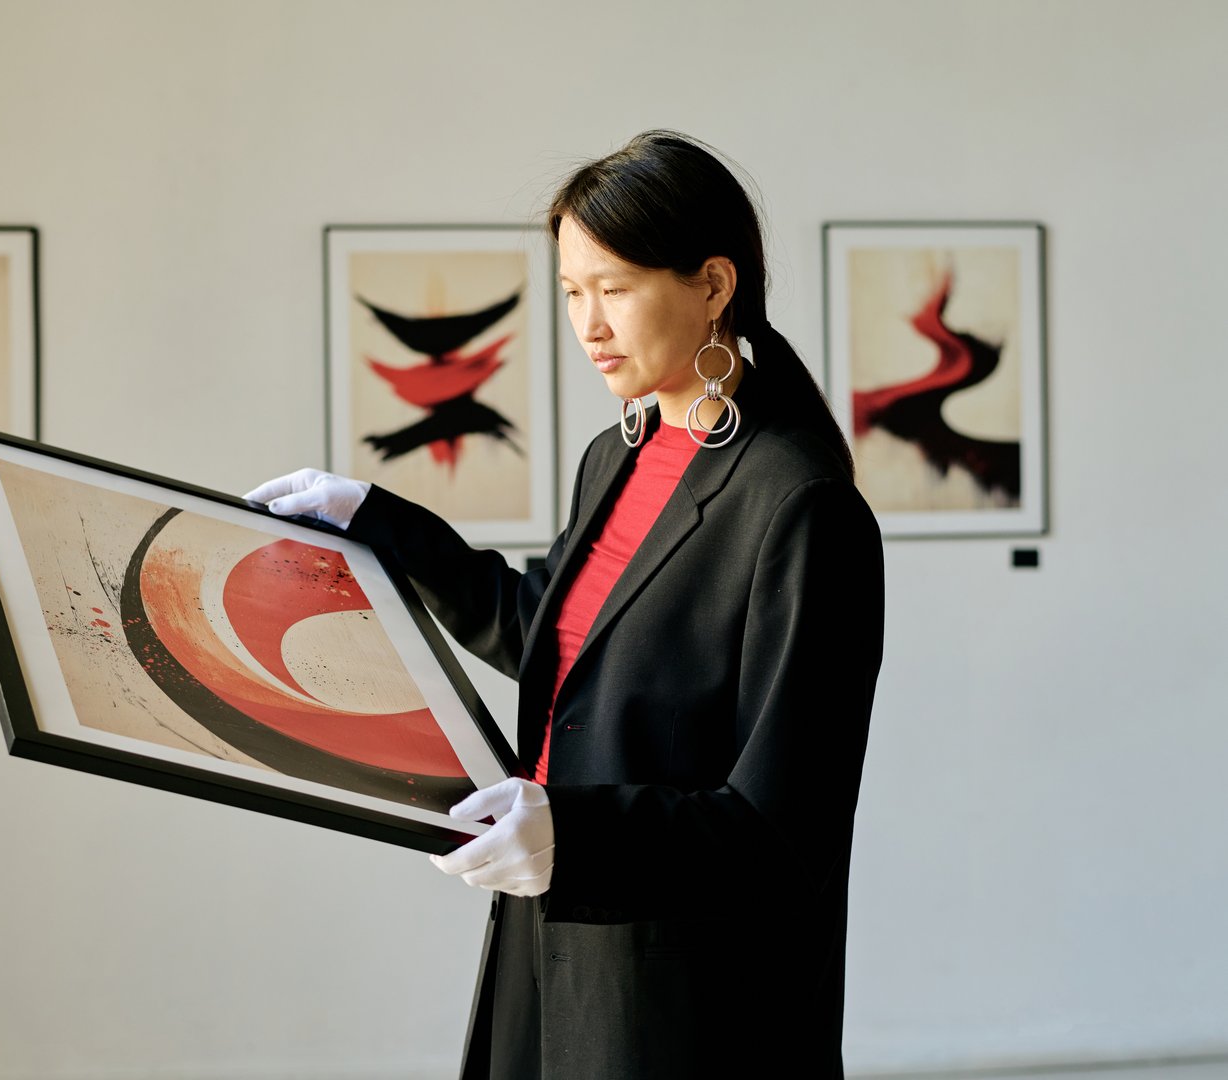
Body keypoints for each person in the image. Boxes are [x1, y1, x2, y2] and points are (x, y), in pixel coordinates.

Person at [246, 130, 885, 1078]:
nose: (588, 325)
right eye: (572, 292)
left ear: (714, 285)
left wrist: (571, 836)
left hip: (688, 996)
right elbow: (551, 635)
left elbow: (779, 828)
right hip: (548, 940)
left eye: (615, 290)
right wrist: (377, 521)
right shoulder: (615, 456)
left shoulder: (801, 505)